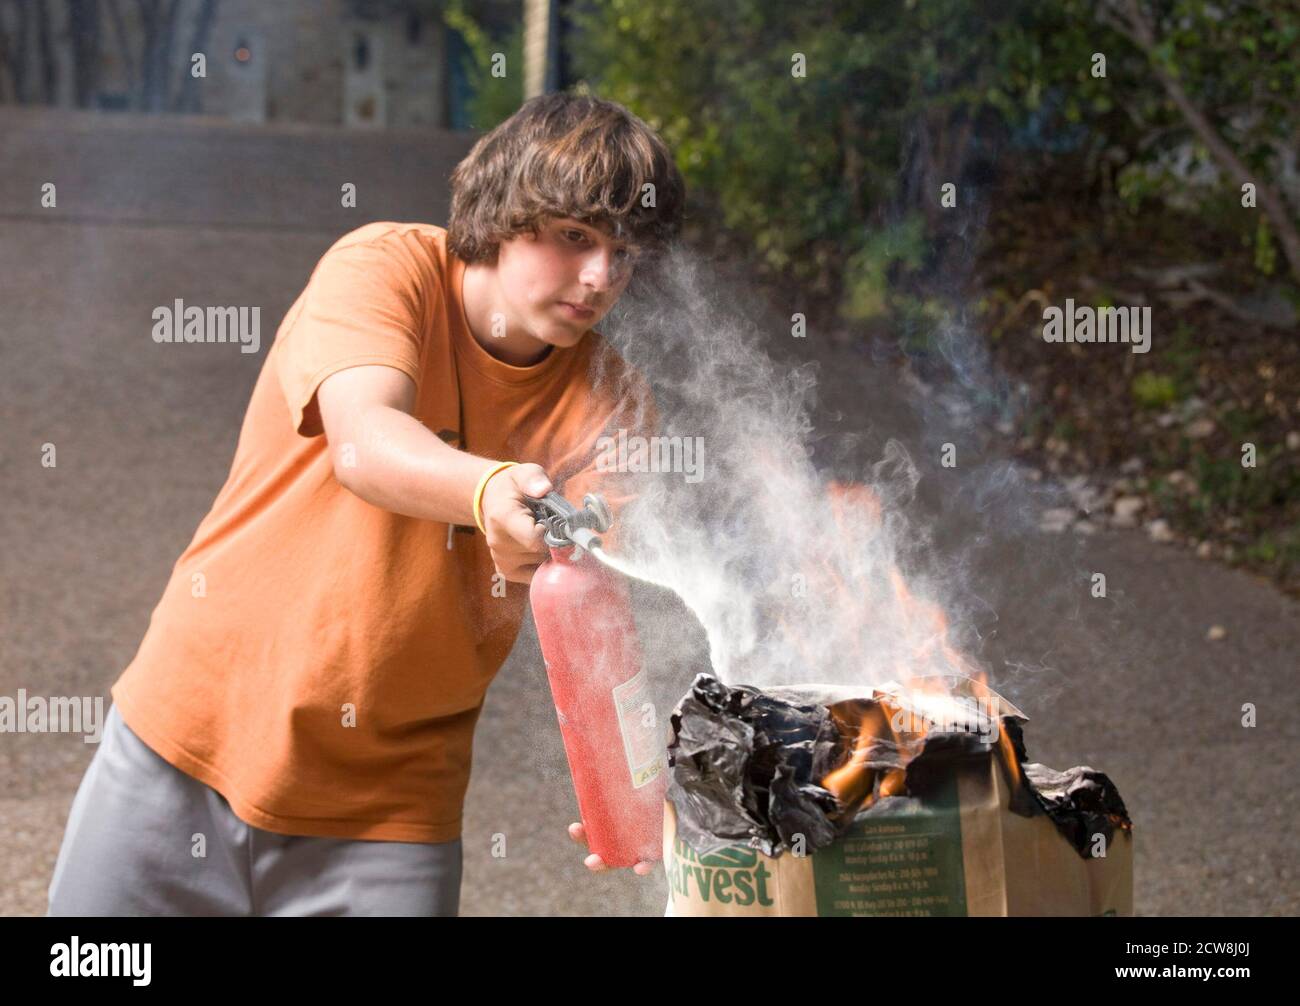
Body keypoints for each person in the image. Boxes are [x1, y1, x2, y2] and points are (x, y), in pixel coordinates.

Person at [47, 92, 685, 916]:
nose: (601, 277)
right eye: (574, 237)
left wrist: (623, 781)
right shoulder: (384, 268)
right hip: (187, 742)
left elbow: (604, 598)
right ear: (503, 210)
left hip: (391, 811)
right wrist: (488, 486)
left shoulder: (612, 400)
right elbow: (361, 440)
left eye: (624, 253)